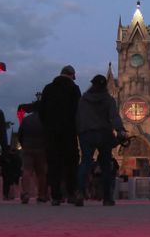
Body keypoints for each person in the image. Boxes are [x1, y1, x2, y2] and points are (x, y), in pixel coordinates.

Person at [76, 74, 126, 206]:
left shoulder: (83, 99)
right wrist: (120, 130)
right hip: (103, 134)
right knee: (105, 166)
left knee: (85, 163)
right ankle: (107, 197)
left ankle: (80, 192)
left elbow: (78, 116)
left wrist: (80, 131)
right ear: (105, 86)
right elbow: (114, 117)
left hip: (86, 134)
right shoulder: (109, 100)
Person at [39, 65, 81, 206]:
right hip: (69, 131)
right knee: (71, 163)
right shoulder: (74, 89)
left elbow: (42, 110)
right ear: (71, 75)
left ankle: (55, 196)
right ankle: (71, 194)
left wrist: (47, 127)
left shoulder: (48, 88)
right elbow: (78, 110)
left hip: (51, 132)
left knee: (53, 163)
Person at [18, 107, 48, 204]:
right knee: (41, 173)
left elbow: (20, 135)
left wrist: (24, 145)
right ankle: (41, 195)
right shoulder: (45, 119)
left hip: (28, 148)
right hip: (41, 149)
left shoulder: (26, 120)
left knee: (27, 170)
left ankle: (26, 193)